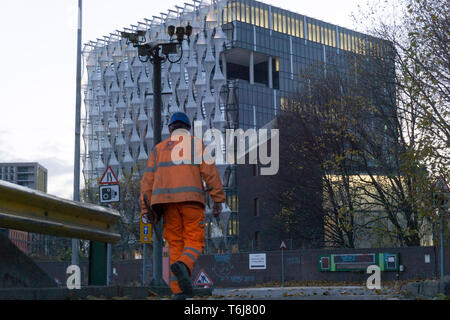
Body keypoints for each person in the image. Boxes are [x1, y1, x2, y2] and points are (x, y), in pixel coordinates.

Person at [140, 111, 225, 300]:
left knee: (175, 243)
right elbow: (210, 173)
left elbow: (147, 182)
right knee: (194, 240)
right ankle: (185, 265)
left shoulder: (158, 150)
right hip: (191, 201)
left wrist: (146, 210)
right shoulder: (196, 145)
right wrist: (217, 199)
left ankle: (179, 292)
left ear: (170, 129)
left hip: (166, 204)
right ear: (187, 128)